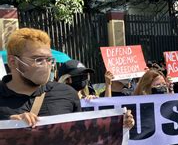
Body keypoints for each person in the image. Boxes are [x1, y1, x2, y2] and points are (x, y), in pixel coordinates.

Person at [0, 28, 134, 129]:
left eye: (49, 60)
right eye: (38, 59)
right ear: (13, 62)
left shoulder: (66, 93)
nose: (46, 65)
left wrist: (117, 125)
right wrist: (10, 127)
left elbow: (82, 138)